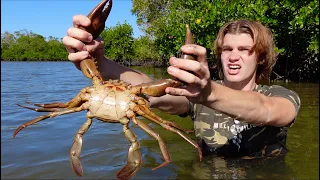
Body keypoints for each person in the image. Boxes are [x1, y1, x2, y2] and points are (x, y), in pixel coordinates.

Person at [63, 15, 300, 158]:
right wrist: (99, 62)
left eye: (244, 50)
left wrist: (209, 94)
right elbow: (145, 88)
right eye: (227, 49)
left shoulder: (279, 96)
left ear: (260, 57)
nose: (233, 57)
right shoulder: (194, 98)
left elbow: (267, 110)